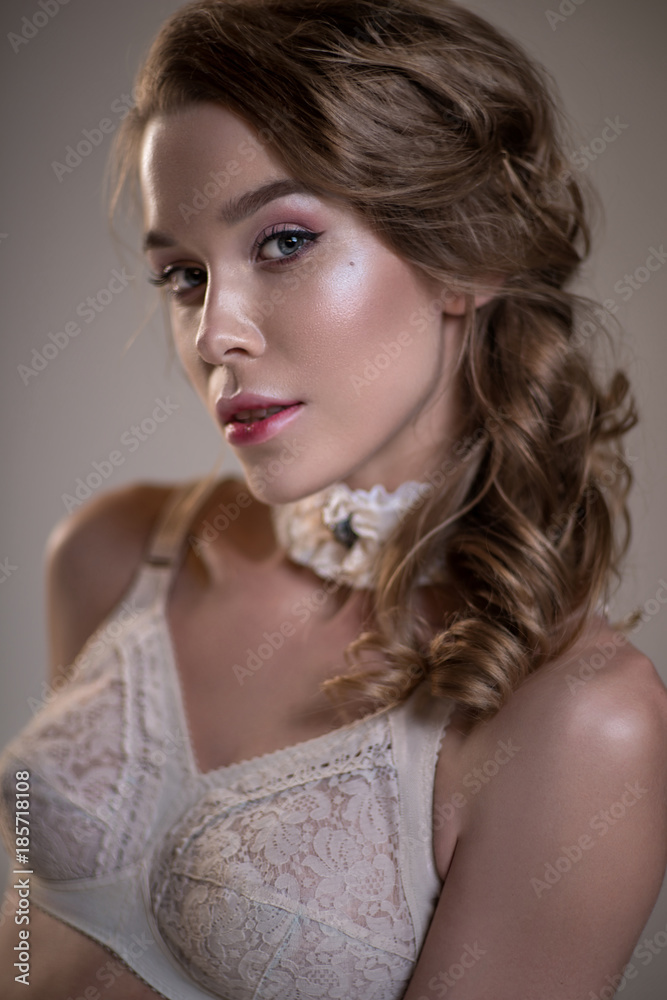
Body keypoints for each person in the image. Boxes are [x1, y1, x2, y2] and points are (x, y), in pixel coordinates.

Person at [1, 0, 666, 997]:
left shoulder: (580, 722)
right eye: (183, 274)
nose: (214, 332)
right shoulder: (109, 551)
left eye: (280, 243)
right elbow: (27, 914)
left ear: (466, 251)